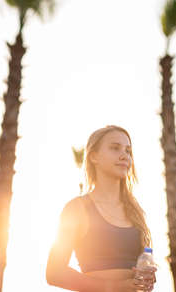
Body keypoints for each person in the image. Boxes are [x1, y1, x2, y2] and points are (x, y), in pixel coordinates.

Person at [46, 125, 157, 292]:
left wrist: (146, 276)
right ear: (94, 157)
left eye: (128, 151)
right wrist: (117, 287)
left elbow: (142, 267)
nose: (124, 156)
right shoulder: (76, 208)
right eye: (115, 148)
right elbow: (54, 273)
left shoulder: (136, 212)